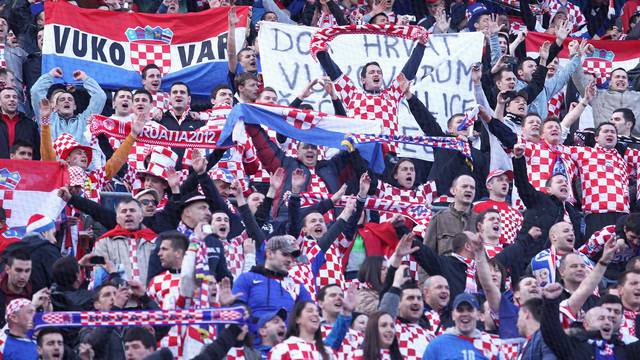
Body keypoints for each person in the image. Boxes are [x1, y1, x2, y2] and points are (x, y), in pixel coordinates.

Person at [540, 282, 640, 358]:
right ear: (586, 324)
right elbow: (551, 332)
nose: (608, 321)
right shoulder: (573, 346)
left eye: (609, 319)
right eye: (601, 318)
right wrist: (550, 302)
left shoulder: (623, 350)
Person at [232, 235, 312, 319]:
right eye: (285, 254)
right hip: (255, 330)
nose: (290, 260)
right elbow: (236, 314)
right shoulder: (247, 278)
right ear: (269, 254)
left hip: (287, 331)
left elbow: (310, 314)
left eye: (292, 256)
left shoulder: (297, 285)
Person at [30, 67, 107, 145]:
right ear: (56, 107)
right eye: (62, 99)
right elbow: (36, 91)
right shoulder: (47, 119)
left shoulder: (84, 121)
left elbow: (100, 96)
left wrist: (85, 78)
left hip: (79, 157)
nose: (66, 101)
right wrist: (50, 75)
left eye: (70, 99)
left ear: (74, 107)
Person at [93, 198, 157, 285]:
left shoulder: (155, 240)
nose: (128, 214)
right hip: (118, 295)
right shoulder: (104, 242)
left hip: (149, 294)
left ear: (141, 217)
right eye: (123, 211)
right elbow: (99, 273)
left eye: (132, 210)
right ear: (117, 219)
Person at [423, 293, 501, 359]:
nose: (465, 314)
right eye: (460, 310)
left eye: (470, 309)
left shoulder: (490, 345)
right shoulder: (437, 344)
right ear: (453, 315)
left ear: (478, 315)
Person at [425, 175, 478, 255]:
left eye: (472, 188)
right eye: (464, 186)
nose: (469, 190)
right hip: (446, 266)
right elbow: (427, 255)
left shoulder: (480, 221)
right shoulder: (438, 219)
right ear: (453, 191)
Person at [268, 301, 335, 360]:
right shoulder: (281, 350)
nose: (315, 314)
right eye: (310, 311)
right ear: (297, 319)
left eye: (317, 311)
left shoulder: (327, 351)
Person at [21, 214, 62, 292]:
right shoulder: (48, 250)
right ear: (44, 233)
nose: (55, 240)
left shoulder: (15, 248)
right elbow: (60, 280)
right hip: (42, 300)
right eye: (53, 234)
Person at [0, 87, 39, 159]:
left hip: (24, 169)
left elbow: (36, 153)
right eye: (7, 97)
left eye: (14, 97)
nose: (12, 99)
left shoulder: (30, 125)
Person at [0, 249, 33, 327]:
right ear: (7, 269)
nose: (22, 276)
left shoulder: (37, 291)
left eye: (27, 271)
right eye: (18, 270)